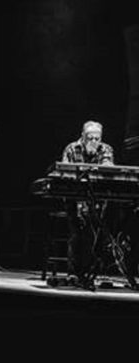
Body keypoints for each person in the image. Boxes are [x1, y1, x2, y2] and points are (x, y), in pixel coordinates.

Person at [60, 120, 115, 287]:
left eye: (97, 138)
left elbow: (108, 169)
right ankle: (74, 273)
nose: (94, 142)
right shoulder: (71, 148)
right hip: (74, 199)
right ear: (82, 137)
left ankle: (99, 272)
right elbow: (64, 173)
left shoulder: (105, 149)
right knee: (78, 232)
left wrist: (105, 166)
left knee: (103, 231)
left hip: (97, 200)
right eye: (90, 138)